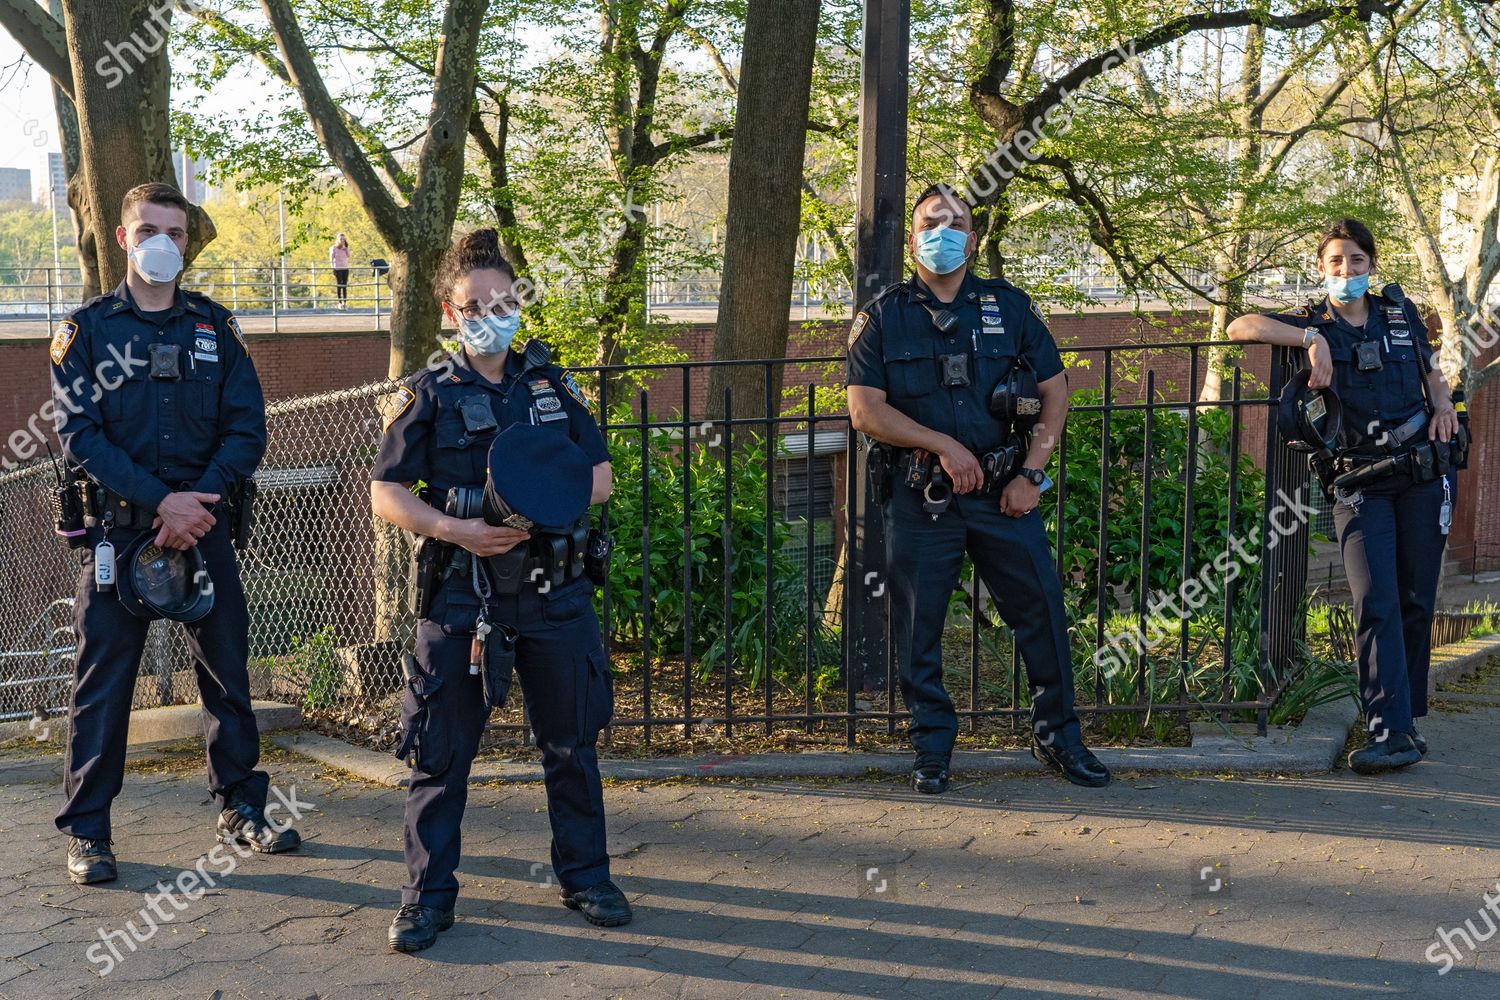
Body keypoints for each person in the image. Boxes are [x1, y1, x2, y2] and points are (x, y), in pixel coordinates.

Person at [370, 227, 627, 953]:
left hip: (554, 591)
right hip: (464, 596)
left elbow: (600, 478)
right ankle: (426, 899)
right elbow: (387, 491)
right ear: (450, 314)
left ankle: (586, 879)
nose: (492, 315)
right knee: (440, 755)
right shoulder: (426, 392)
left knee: (571, 746)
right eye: (475, 306)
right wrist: (458, 529)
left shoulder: (551, 385)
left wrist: (533, 504)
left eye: (504, 303)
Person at [49, 182, 299, 886]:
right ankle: (89, 830)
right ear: (123, 238)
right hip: (119, 535)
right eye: (148, 230)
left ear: (188, 242)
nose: (163, 243)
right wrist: (164, 502)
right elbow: (80, 436)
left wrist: (195, 506)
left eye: (176, 232)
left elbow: (247, 428)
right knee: (102, 686)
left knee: (227, 675)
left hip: (204, 529)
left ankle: (242, 807)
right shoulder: (86, 332)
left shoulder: (217, 328)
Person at [846, 183, 1111, 793]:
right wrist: (943, 445)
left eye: (955, 222)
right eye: (929, 223)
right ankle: (932, 747)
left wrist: (1032, 474)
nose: (942, 231)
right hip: (922, 497)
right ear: (913, 239)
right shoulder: (882, 317)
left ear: (972, 238)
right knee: (919, 626)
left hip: (1004, 495)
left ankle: (1059, 738)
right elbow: (865, 411)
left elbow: (1055, 392)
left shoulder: (1009, 307)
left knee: (1041, 612)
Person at [1229, 218, 1461, 775]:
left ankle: (1406, 722)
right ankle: (1386, 729)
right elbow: (1240, 325)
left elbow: (1431, 368)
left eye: (1357, 259)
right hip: (1359, 484)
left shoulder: (1399, 314)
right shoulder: (1312, 322)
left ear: (1371, 264)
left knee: (1414, 599)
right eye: (1336, 260)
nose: (1347, 269)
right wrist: (1309, 339)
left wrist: (1443, 402)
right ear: (1321, 267)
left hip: (1422, 473)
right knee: (1375, 599)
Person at [329, 233, 351, 309]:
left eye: (343, 239)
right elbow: (331, 259)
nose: (342, 240)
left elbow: (348, 255)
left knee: (344, 285)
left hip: (345, 268)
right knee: (339, 285)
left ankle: (345, 303)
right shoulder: (333, 248)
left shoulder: (345, 248)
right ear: (337, 239)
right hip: (337, 269)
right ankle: (340, 302)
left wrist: (346, 248)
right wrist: (333, 268)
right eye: (341, 239)